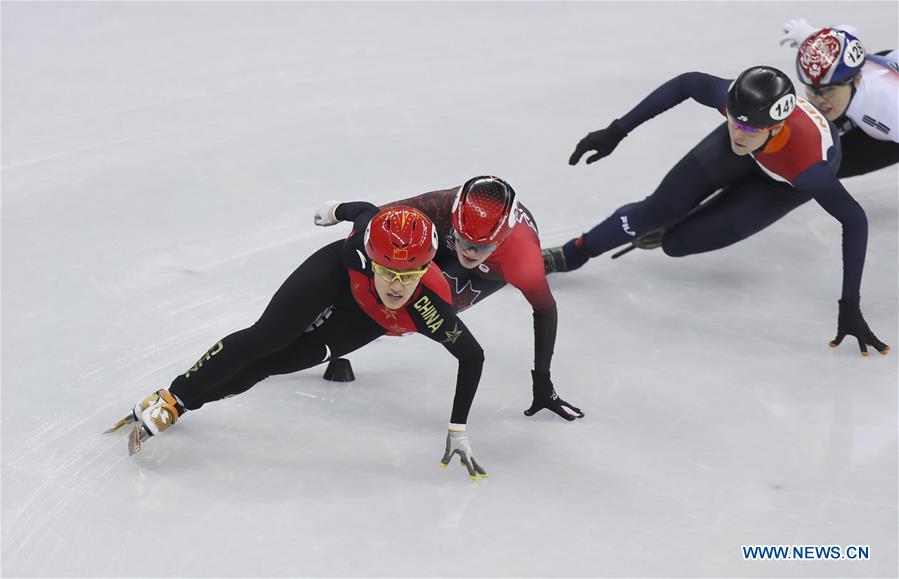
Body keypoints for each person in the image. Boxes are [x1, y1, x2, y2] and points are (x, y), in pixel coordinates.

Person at [107, 206, 489, 479]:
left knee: (271, 364)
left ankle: (185, 403)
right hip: (337, 276)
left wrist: (458, 428)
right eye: (388, 271)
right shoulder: (358, 248)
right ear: (372, 259)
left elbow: (472, 357)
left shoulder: (429, 308)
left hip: (367, 319)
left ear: (425, 269)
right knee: (267, 337)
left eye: (408, 275)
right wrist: (333, 211)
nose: (396, 284)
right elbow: (363, 212)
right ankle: (172, 398)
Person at [542, 66, 890, 357]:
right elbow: (687, 83)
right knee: (652, 213)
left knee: (677, 244)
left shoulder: (809, 169)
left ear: (777, 125)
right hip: (755, 153)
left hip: (781, 184)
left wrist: (850, 305)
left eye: (750, 129)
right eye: (734, 121)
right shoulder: (741, 112)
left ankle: (680, 222)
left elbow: (854, 221)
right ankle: (572, 254)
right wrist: (616, 131)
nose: (739, 134)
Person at [314, 176, 584, 421]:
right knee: (390, 271)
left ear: (501, 241)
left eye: (482, 246)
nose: (469, 251)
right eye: (464, 239)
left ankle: (346, 337)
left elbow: (546, 310)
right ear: (455, 218)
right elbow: (378, 221)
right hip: (441, 236)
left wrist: (542, 383)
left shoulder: (522, 261)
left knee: (420, 310)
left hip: (489, 271)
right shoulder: (441, 205)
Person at [780, 20, 898, 178]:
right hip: (882, 70)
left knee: (816, 169)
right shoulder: (845, 62)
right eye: (812, 89)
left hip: (887, 115)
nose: (818, 99)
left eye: (828, 89)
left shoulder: (889, 108)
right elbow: (847, 31)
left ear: (856, 78)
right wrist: (813, 38)